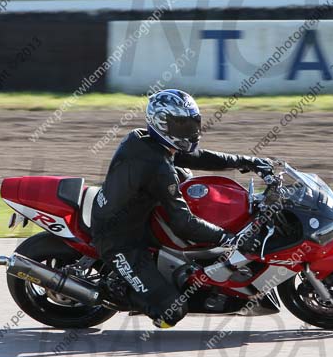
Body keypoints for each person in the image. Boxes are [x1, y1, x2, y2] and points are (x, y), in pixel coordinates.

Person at [90, 89, 273, 329]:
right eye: (179, 124)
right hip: (119, 240)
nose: (187, 130)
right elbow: (183, 222)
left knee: (185, 174)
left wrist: (245, 161)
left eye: (191, 123)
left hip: (138, 217)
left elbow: (197, 157)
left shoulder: (145, 140)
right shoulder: (158, 168)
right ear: (161, 123)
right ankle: (114, 290)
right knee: (171, 312)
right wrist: (229, 238)